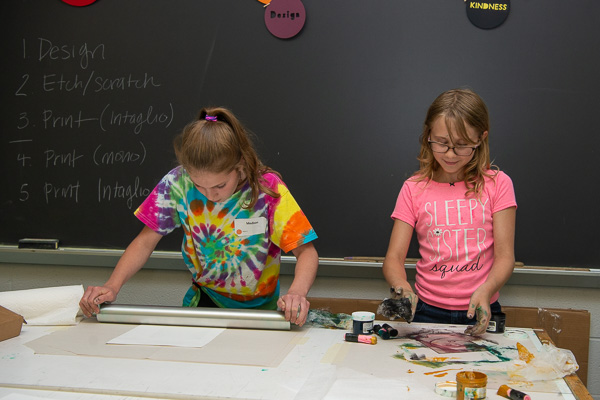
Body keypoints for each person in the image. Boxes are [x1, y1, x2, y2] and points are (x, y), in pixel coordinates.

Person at [80, 107, 319, 326]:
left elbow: (306, 251)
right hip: (205, 304)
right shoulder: (177, 183)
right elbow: (145, 241)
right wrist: (112, 286)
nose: (210, 195)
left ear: (242, 166)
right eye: (199, 186)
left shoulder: (267, 189)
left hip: (262, 311)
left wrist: (297, 293)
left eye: (220, 185)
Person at [382, 88, 517, 335]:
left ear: (480, 138)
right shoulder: (414, 189)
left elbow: (506, 256)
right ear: (428, 136)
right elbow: (393, 258)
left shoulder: (499, 184)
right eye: (441, 143)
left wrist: (487, 289)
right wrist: (402, 286)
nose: (450, 154)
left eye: (461, 145)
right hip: (425, 311)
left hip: (480, 308)